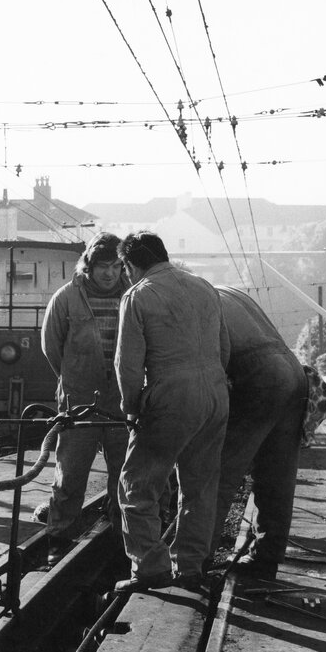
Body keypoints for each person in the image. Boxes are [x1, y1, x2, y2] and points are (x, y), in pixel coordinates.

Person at [114, 231, 230, 593]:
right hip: (215, 395)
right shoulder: (203, 286)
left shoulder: (138, 295)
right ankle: (190, 567)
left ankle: (150, 568)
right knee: (199, 485)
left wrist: (131, 407)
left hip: (171, 395)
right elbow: (223, 347)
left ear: (131, 265)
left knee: (136, 485)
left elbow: (127, 365)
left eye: (125, 270)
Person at [41, 233, 130, 565]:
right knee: (70, 472)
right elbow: (51, 347)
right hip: (79, 402)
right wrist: (73, 380)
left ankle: (123, 542)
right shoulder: (66, 299)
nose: (109, 273)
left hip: (123, 400)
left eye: (116, 265)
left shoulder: (133, 297)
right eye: (102, 266)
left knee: (124, 475)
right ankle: (59, 538)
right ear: (88, 266)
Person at [209, 286, 308, 581]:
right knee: (277, 474)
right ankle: (266, 560)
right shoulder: (230, 292)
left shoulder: (198, 300)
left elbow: (213, 362)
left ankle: (198, 561)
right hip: (293, 371)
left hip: (258, 376)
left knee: (219, 474)